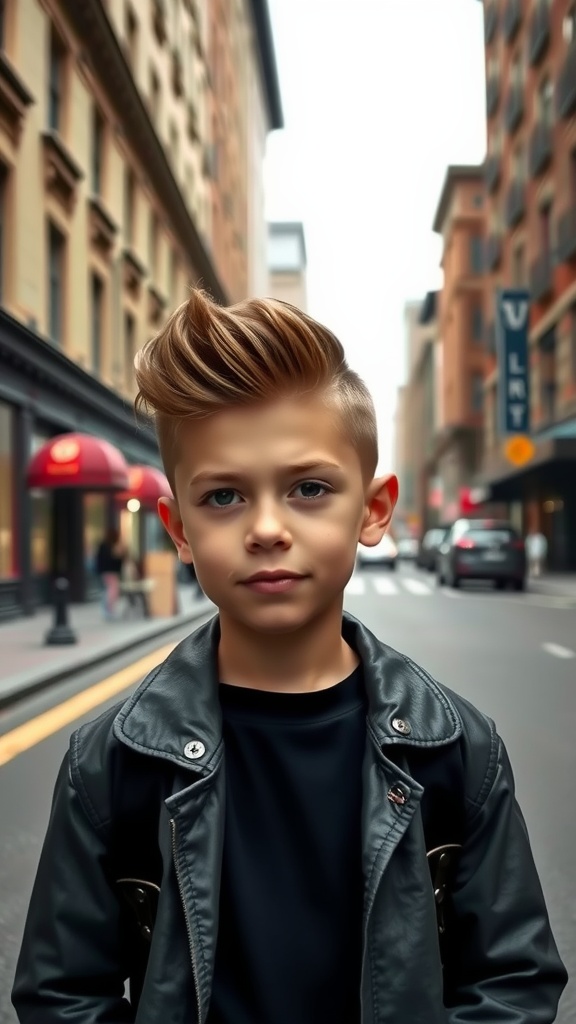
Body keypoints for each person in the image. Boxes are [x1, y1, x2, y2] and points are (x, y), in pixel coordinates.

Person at [13, 291, 567, 1023]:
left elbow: (512, 983)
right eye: (223, 498)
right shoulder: (109, 763)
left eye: (308, 488)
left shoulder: (458, 751)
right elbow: (63, 996)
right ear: (178, 529)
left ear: (373, 509)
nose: (267, 528)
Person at [95, 527, 125, 620]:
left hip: (107, 571)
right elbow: (111, 560)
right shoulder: (108, 547)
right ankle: (108, 610)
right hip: (110, 571)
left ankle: (108, 610)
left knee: (109, 590)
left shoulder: (105, 546)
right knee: (112, 590)